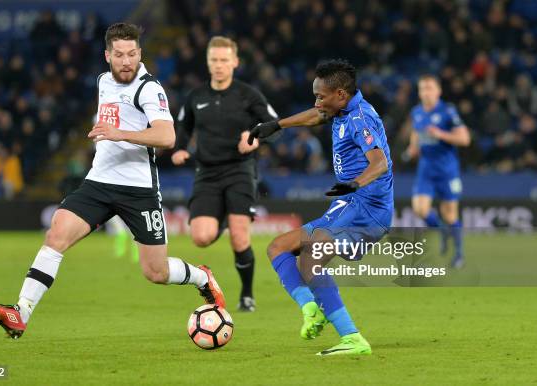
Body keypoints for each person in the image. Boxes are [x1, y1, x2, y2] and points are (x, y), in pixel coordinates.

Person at [0, 23, 225, 339]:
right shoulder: (102, 81)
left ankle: (202, 277)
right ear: (107, 55)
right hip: (99, 182)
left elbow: (167, 136)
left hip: (139, 190)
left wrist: (118, 133)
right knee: (56, 234)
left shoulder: (148, 88)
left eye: (133, 54)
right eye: (120, 55)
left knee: (156, 271)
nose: (127, 61)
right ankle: (20, 313)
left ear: (140, 53)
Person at [248, 59, 393, 356]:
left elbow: (380, 163)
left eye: (320, 96)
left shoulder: (360, 118)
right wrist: (277, 125)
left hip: (365, 207)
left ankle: (352, 338)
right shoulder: (342, 108)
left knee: (310, 257)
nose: (317, 101)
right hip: (349, 204)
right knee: (278, 247)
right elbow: (317, 115)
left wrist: (355, 184)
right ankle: (312, 309)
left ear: (340, 94)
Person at [171, 36, 278, 312]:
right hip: (206, 172)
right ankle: (227, 218)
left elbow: (274, 124)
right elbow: (184, 127)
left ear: (235, 62)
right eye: (214, 60)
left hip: (240, 169)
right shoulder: (196, 96)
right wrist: (180, 149)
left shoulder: (248, 95)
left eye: (223, 60)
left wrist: (254, 136)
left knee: (240, 237)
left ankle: (247, 295)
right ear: (208, 63)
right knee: (201, 238)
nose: (218, 66)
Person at [405, 74, 470, 268]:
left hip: (447, 170)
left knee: (450, 215)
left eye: (429, 88)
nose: (426, 92)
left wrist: (440, 134)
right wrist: (413, 147)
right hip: (426, 169)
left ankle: (458, 254)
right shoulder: (416, 112)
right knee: (420, 209)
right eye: (422, 88)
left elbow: (465, 139)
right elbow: (416, 132)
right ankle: (442, 231)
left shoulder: (448, 111)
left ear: (438, 91)